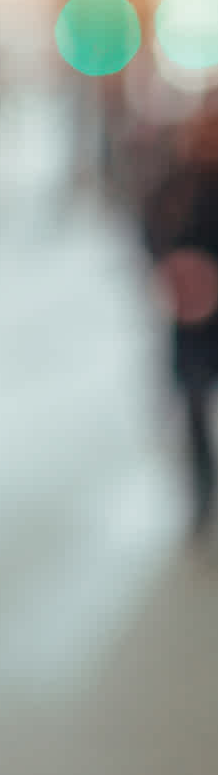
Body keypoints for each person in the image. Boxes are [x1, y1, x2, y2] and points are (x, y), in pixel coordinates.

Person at [140, 103, 218, 540]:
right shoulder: (177, 184)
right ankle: (201, 494)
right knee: (192, 407)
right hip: (191, 321)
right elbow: (150, 229)